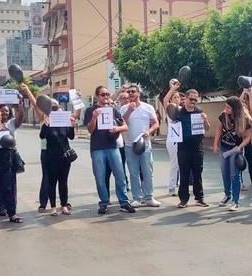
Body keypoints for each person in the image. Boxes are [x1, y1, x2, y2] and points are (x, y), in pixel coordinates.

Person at [83, 86, 136, 215]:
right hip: (97, 148)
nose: (106, 96)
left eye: (107, 94)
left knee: (120, 175)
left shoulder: (113, 110)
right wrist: (94, 117)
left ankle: (124, 202)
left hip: (113, 147)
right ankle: (104, 202)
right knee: (100, 177)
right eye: (103, 94)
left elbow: (125, 126)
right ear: (97, 96)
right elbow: (89, 129)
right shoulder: (90, 110)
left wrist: (117, 129)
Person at [120, 84, 161, 208]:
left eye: (133, 91)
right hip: (129, 145)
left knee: (147, 171)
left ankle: (149, 197)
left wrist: (148, 131)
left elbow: (156, 123)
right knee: (134, 173)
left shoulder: (148, 107)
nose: (131, 94)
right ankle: (136, 198)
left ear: (139, 93)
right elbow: (122, 122)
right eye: (129, 92)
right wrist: (129, 110)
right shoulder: (124, 108)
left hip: (145, 144)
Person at [213, 96, 252, 211]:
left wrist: (239, 147)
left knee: (234, 175)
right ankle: (227, 194)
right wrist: (216, 144)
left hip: (236, 150)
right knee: (225, 173)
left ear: (235, 108)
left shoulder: (245, 119)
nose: (226, 109)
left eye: (228, 107)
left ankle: (235, 201)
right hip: (224, 148)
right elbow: (219, 129)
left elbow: (248, 137)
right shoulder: (223, 115)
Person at [174, 88, 210, 208]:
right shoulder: (179, 112)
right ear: (186, 99)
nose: (193, 101)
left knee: (197, 173)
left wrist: (205, 119)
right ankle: (183, 199)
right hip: (183, 148)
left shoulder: (199, 111)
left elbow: (207, 128)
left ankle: (199, 198)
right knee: (184, 174)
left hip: (197, 147)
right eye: (191, 99)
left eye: (195, 99)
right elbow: (173, 127)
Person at [40, 103, 76, 216]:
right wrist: (46, 124)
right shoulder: (48, 125)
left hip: (64, 157)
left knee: (63, 182)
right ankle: (53, 207)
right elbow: (42, 136)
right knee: (52, 182)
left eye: (62, 113)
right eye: (58, 113)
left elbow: (71, 136)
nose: (61, 116)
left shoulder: (65, 125)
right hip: (51, 157)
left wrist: (72, 125)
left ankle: (64, 206)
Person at [163, 81, 182, 196]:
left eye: (178, 97)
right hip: (172, 140)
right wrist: (172, 89)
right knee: (175, 163)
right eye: (174, 97)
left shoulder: (182, 110)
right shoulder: (169, 109)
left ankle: (180, 185)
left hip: (182, 140)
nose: (177, 99)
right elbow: (165, 100)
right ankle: (171, 187)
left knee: (182, 164)